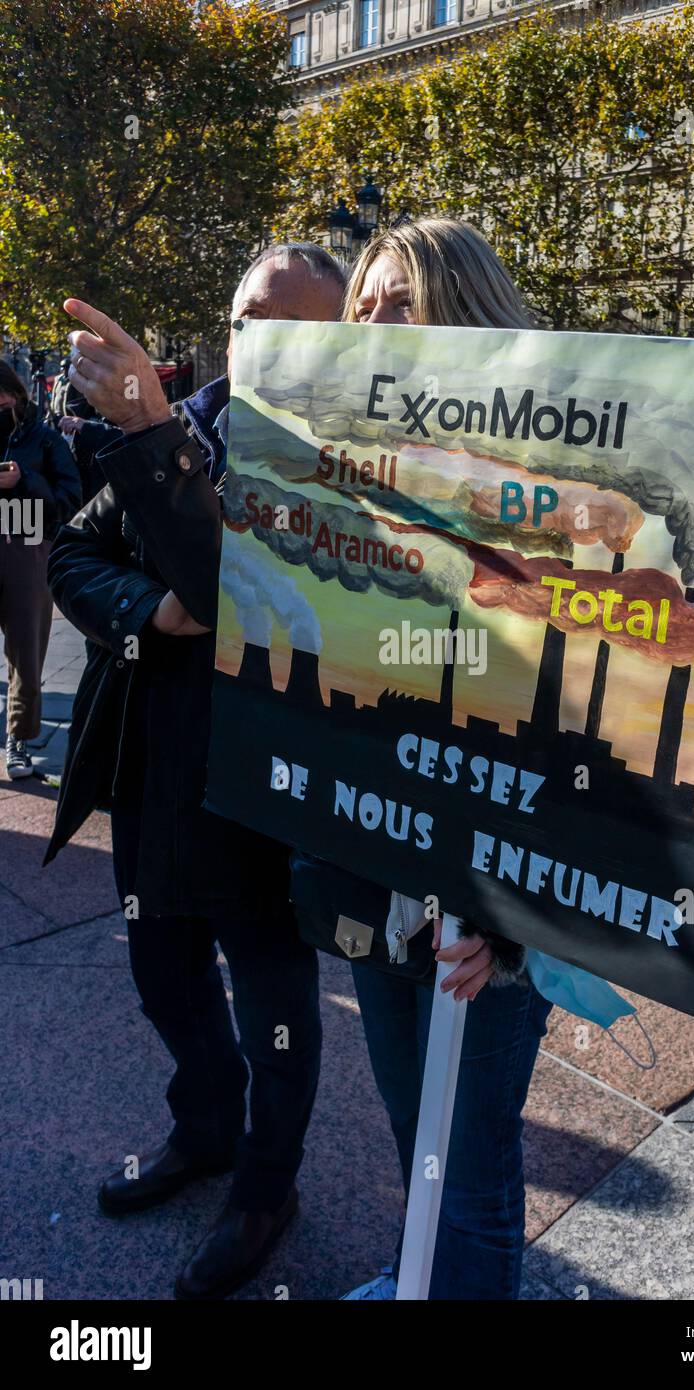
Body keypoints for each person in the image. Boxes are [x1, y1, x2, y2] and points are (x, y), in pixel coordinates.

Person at [44, 243, 345, 1300]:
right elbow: (73, 558)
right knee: (162, 976)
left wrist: (152, 436)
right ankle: (205, 1129)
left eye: (296, 326)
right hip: (152, 762)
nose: (264, 343)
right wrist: (151, 611)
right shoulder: (190, 423)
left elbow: (243, 596)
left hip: (266, 783)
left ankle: (268, 1185)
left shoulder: (343, 459)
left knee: (272, 997)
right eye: (248, 318)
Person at [337, 218, 554, 1300]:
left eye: (400, 302)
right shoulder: (339, 481)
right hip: (376, 879)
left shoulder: (538, 491)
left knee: (471, 1168)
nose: (373, 320)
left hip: (487, 905)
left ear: (466, 316)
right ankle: (415, 1276)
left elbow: (572, 729)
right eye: (363, 303)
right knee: (407, 1130)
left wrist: (516, 922)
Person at [0, 360, 81, 779]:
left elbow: (71, 497)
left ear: (15, 394)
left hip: (27, 544)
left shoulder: (45, 439)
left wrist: (26, 480)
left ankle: (19, 738)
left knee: (26, 654)